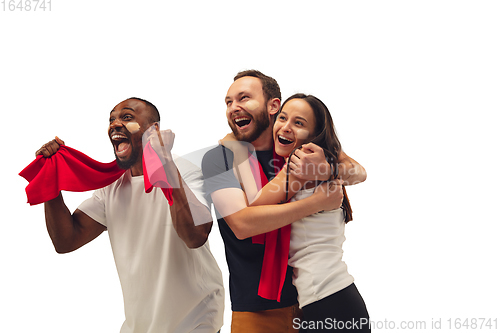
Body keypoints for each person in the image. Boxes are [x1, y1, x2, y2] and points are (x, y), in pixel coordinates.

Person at [35, 98, 224, 333]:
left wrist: (163, 161)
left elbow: (195, 236)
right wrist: (50, 178)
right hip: (139, 327)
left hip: (195, 322)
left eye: (126, 117)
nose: (114, 124)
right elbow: (66, 240)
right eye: (111, 119)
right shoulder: (111, 188)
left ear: (153, 130)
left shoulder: (186, 171)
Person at [201, 70, 366, 332]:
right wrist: (314, 203)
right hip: (257, 312)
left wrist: (328, 170)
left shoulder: (303, 152)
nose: (235, 107)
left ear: (273, 106)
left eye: (244, 98)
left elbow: (358, 171)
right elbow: (242, 223)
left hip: (313, 302)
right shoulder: (219, 159)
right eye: (229, 102)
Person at [241, 93, 370, 332]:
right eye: (283, 118)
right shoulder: (323, 159)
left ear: (314, 136)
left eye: (299, 123)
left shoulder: (299, 164)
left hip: (327, 302)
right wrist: (329, 169)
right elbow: (359, 172)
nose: (286, 127)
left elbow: (252, 213)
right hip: (336, 299)